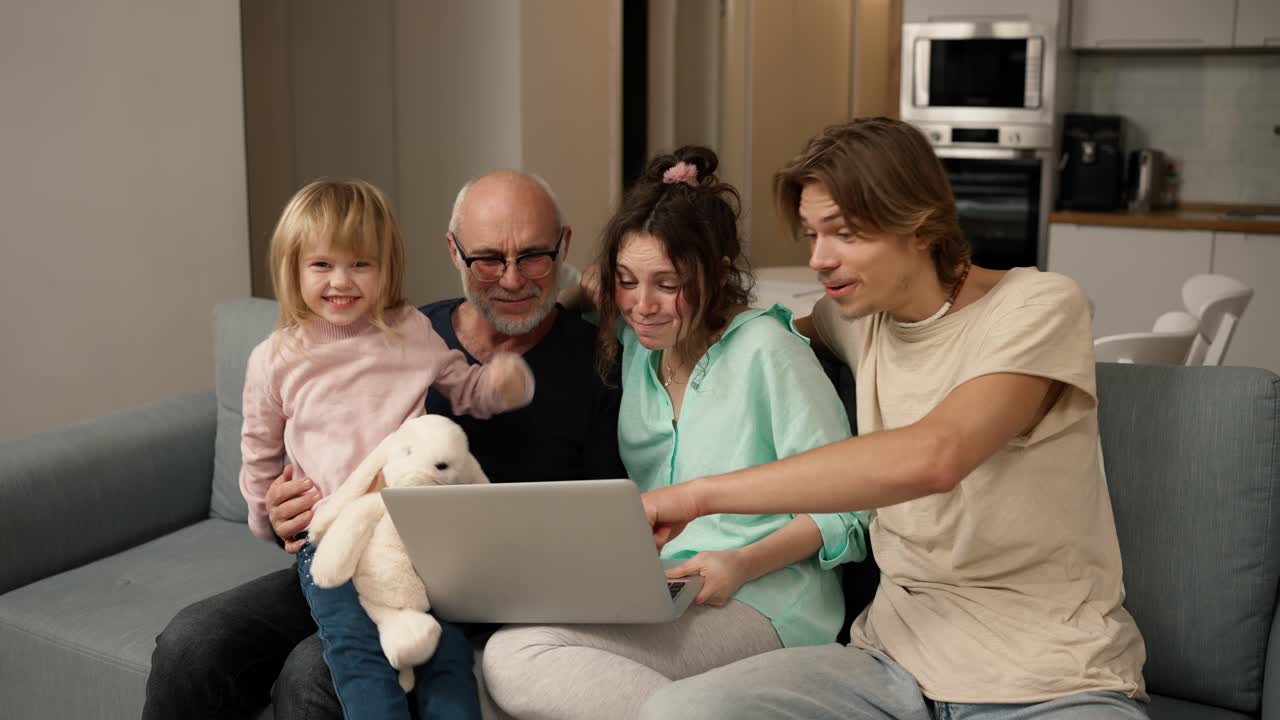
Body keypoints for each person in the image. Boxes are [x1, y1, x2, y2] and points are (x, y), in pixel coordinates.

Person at [636, 118, 1149, 720]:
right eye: (811, 234)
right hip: (888, 667)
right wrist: (596, 295)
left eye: (844, 233)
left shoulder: (1037, 306)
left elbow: (936, 456)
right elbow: (751, 339)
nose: (819, 260)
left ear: (919, 223)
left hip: (1051, 675)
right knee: (678, 712)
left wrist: (696, 497)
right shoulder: (857, 317)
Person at [142, 171, 626, 720]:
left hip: (477, 589)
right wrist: (277, 509)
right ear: (454, 251)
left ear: (562, 247)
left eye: (534, 256)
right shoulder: (411, 330)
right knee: (190, 644)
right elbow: (288, 447)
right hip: (348, 547)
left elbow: (602, 519)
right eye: (488, 258)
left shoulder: (598, 362)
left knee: (312, 673)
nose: (511, 279)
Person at [480, 146, 869, 720]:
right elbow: (564, 307)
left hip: (767, 598)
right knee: (485, 679)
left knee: (516, 656)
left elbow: (850, 510)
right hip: (664, 586)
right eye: (627, 281)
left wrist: (742, 564)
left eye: (668, 283)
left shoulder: (769, 352)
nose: (643, 305)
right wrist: (592, 290)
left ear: (717, 271)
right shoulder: (638, 348)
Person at [239, 178, 538, 719]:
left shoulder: (411, 331)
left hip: (413, 533)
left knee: (441, 649)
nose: (341, 281)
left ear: (387, 267)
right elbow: (259, 454)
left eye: (361, 265)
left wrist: (502, 385)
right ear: (292, 267)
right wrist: (269, 519)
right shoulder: (275, 358)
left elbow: (465, 389)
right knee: (359, 654)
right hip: (331, 538)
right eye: (322, 265)